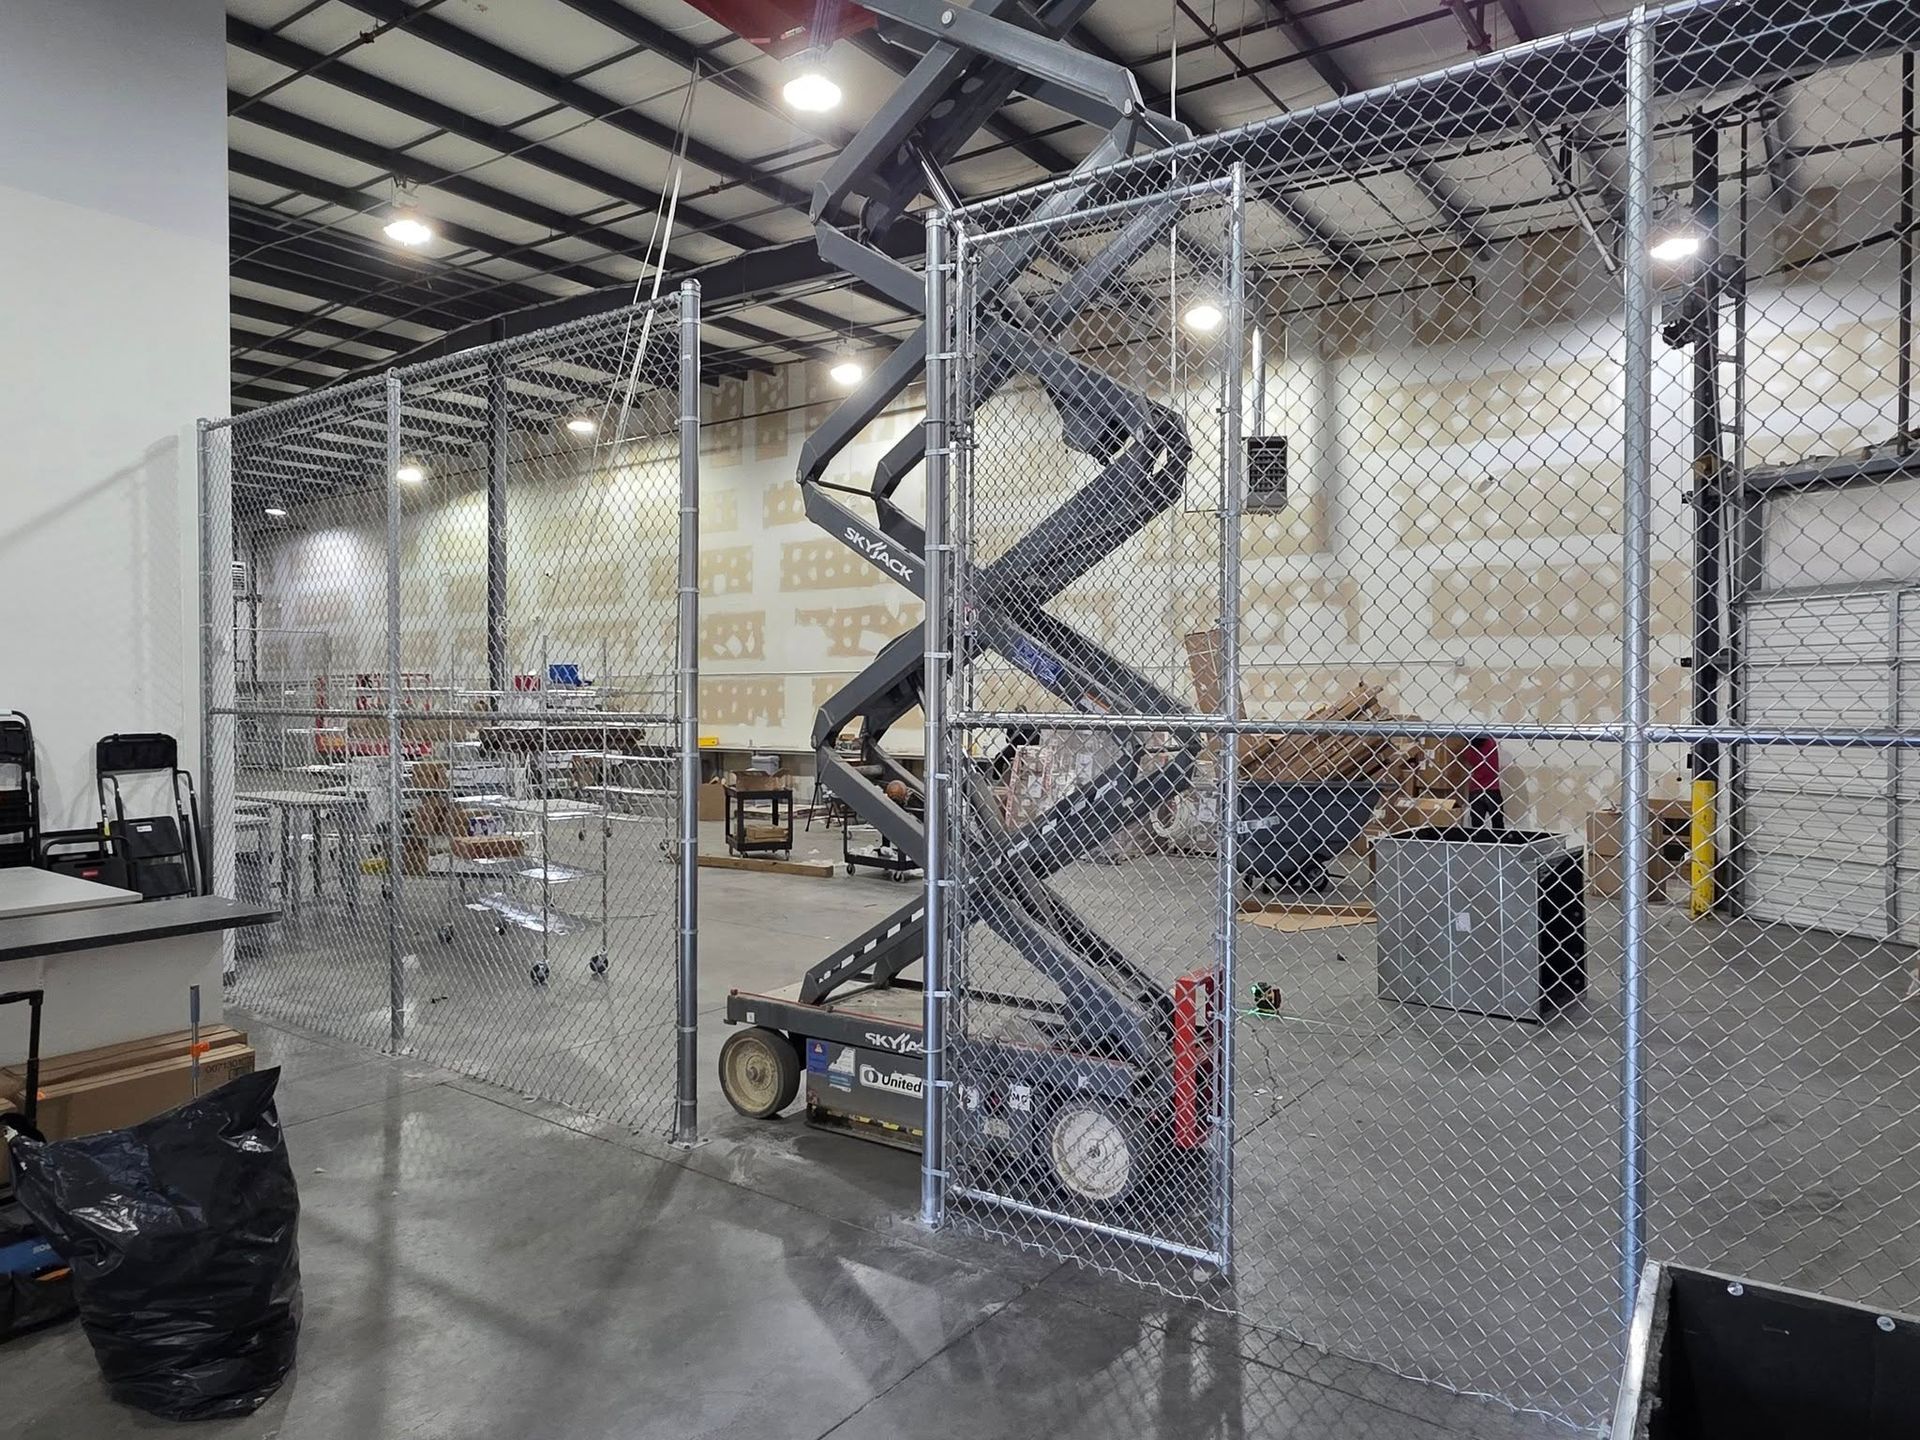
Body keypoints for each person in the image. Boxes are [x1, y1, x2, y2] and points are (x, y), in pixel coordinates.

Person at [1464, 733, 1505, 831]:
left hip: (1475, 789)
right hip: (1492, 789)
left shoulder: (1469, 751)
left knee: (1477, 826)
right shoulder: (1491, 744)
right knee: (1498, 825)